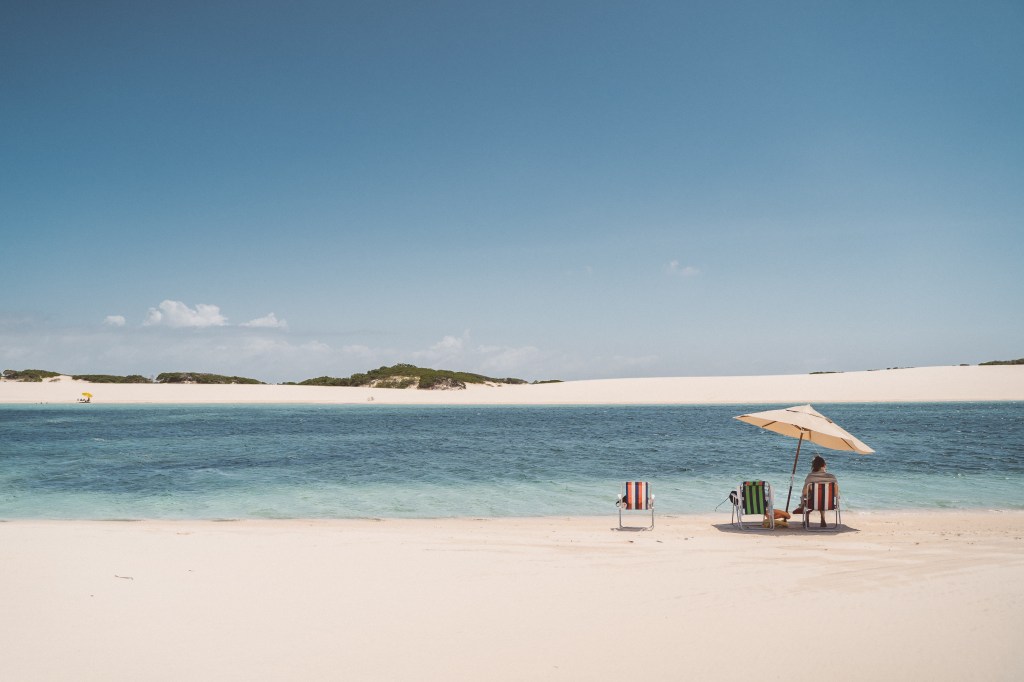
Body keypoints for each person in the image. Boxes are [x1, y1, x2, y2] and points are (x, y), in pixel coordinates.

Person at [791, 455, 839, 527]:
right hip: (828, 504)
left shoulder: (810, 477)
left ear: (813, 466)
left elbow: (804, 493)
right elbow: (835, 494)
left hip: (812, 504)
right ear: (824, 465)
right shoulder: (832, 477)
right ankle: (823, 519)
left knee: (806, 497)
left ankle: (806, 519)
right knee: (823, 498)